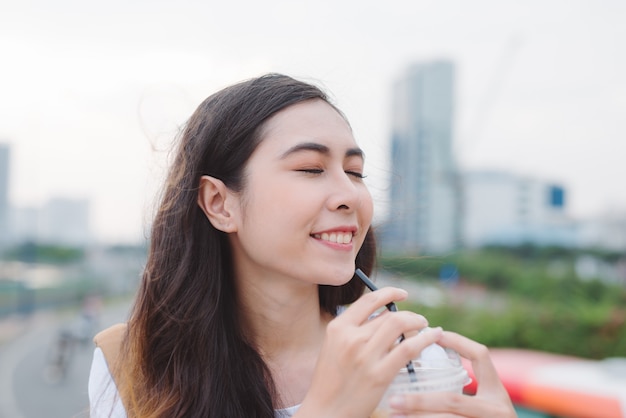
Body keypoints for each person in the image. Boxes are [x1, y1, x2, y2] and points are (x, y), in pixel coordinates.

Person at [88, 73, 515, 417]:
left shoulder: (411, 360)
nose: (349, 194)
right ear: (219, 204)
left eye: (355, 171)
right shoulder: (131, 367)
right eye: (311, 168)